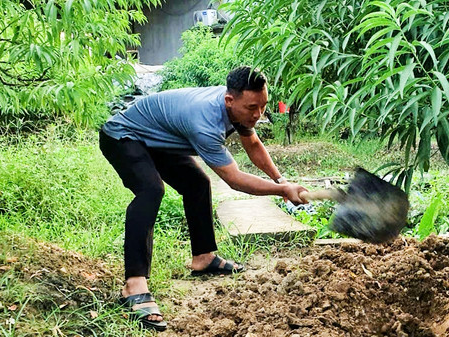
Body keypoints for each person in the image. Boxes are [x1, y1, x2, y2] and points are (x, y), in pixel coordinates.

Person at [98, 66, 308, 331]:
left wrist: (282, 181)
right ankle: (134, 284)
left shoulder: (237, 110)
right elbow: (235, 179)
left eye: (263, 106)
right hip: (123, 136)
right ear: (229, 100)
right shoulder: (204, 122)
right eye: (252, 108)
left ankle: (204, 257)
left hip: (158, 139)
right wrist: (281, 192)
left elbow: (252, 144)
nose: (258, 115)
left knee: (197, 183)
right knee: (151, 190)